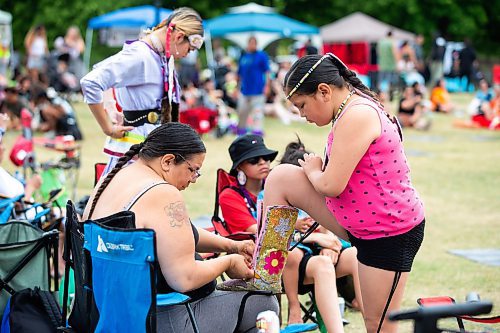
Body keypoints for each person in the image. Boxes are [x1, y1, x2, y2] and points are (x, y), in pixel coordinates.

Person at [262, 53, 425, 333]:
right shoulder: (349, 110)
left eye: (302, 105)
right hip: (361, 222)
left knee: (378, 323)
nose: (302, 115)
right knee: (280, 178)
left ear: (323, 91)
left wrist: (315, 170)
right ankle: (266, 275)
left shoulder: (357, 114)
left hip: (387, 232)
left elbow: (330, 186)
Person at [82, 122, 278, 332]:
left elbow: (182, 233)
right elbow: (185, 278)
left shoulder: (114, 179)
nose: (193, 179)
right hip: (157, 318)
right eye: (193, 170)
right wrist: (228, 262)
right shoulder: (162, 193)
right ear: (167, 161)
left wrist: (232, 246)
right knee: (262, 303)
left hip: (109, 314)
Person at [219, 134, 357, 332]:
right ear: (239, 166)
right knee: (305, 258)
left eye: (266, 158)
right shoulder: (231, 196)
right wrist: (316, 237)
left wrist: (330, 242)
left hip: (306, 252)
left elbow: (319, 220)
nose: (263, 163)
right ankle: (297, 311)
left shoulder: (281, 186)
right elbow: (261, 232)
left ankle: (369, 313)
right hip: (267, 260)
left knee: (354, 255)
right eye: (254, 160)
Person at [80, 7, 204, 176]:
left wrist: (110, 107)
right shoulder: (140, 55)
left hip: (153, 149)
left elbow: (102, 70)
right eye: (189, 50)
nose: (186, 55)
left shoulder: (160, 56)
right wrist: (107, 127)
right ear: (179, 36)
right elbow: (92, 81)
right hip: (134, 153)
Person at [236, 36, 270, 136]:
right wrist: (236, 87)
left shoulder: (261, 56)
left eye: (254, 43)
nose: (252, 45)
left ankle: (257, 132)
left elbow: (267, 72)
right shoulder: (244, 57)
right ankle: (241, 131)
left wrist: (267, 86)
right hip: (245, 89)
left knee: (257, 113)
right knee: (242, 111)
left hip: (258, 89)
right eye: (250, 43)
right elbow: (239, 74)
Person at [377, 31, 399, 96]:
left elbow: (378, 53)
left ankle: (379, 95)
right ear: (391, 35)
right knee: (389, 82)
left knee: (380, 82)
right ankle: (387, 96)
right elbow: (395, 53)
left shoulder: (381, 42)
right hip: (390, 66)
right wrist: (397, 63)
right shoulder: (391, 42)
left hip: (381, 65)